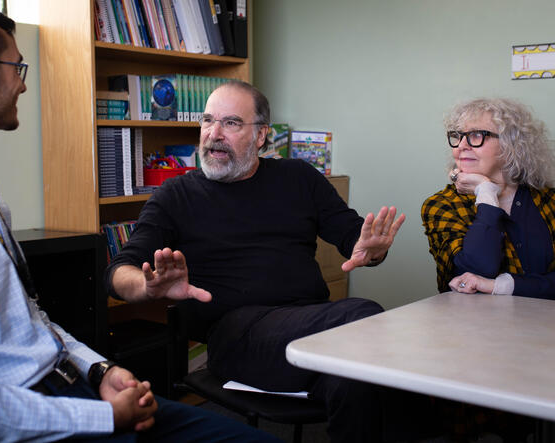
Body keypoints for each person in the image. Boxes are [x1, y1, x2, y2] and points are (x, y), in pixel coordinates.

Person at [0, 1, 281, 441]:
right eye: (17, 68)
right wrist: (104, 417)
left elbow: (29, 323)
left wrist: (98, 369)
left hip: (73, 387)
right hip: (35, 414)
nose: (24, 86)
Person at [107, 79, 407, 442]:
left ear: (261, 135)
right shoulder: (177, 195)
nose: (214, 133)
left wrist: (372, 248)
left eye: (231, 123)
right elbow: (117, 273)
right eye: (207, 121)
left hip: (309, 325)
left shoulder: (298, 178)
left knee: (354, 375)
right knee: (363, 317)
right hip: (236, 337)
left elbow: (353, 237)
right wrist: (147, 285)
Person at [422, 98, 555, 298]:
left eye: (476, 135)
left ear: (512, 144)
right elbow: (472, 275)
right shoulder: (441, 205)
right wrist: (486, 192)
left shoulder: (548, 199)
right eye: (457, 136)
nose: (462, 145)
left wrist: (500, 286)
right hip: (474, 325)